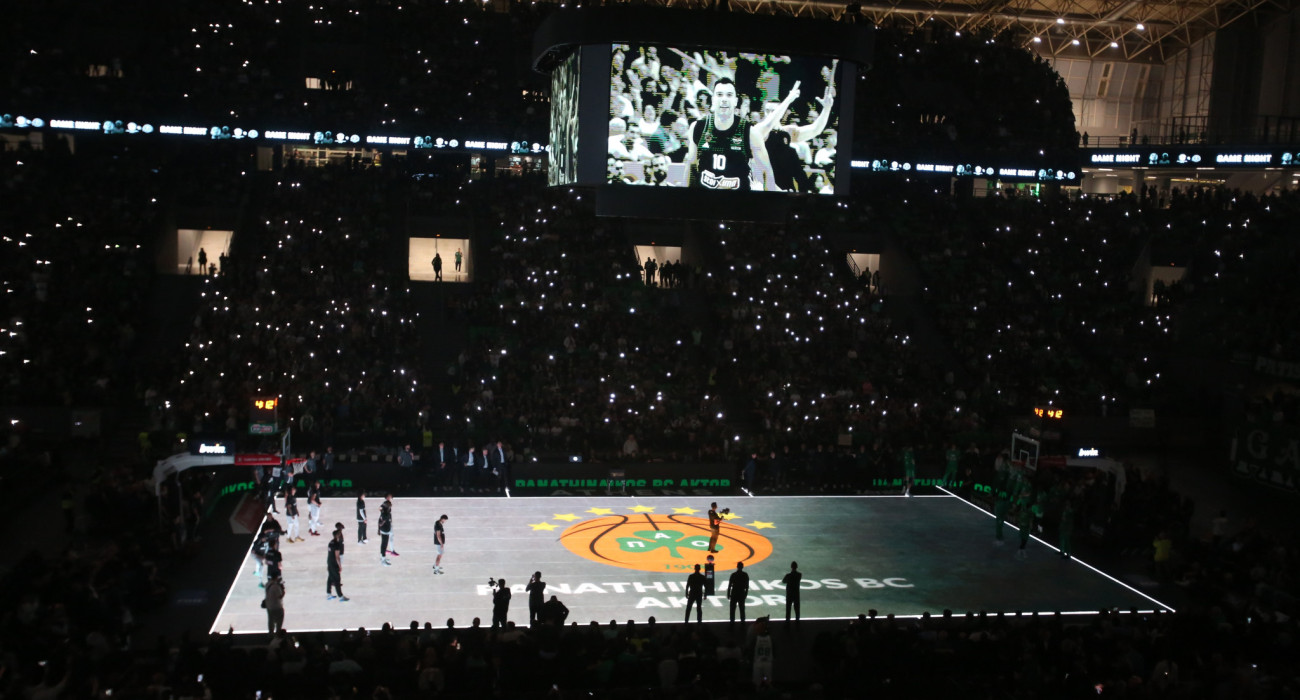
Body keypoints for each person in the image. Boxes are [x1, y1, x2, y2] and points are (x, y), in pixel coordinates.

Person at [683, 77, 756, 190]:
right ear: (713, 99)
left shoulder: (749, 131)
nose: (724, 99)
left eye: (729, 95)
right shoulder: (698, 127)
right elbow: (691, 166)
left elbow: (766, 171)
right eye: (719, 94)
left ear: (736, 101)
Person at [327, 528, 348, 601]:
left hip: (329, 562)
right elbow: (337, 557)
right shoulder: (337, 544)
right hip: (334, 564)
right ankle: (340, 596)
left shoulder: (330, 542)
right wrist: (340, 566)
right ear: (337, 535)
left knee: (330, 578)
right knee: (337, 579)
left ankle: (328, 594)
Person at [378, 498, 394, 566]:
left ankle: (383, 558)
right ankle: (383, 561)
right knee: (384, 545)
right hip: (385, 531)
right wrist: (381, 525)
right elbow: (381, 522)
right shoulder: (385, 514)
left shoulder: (384, 511)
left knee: (384, 545)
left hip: (384, 530)